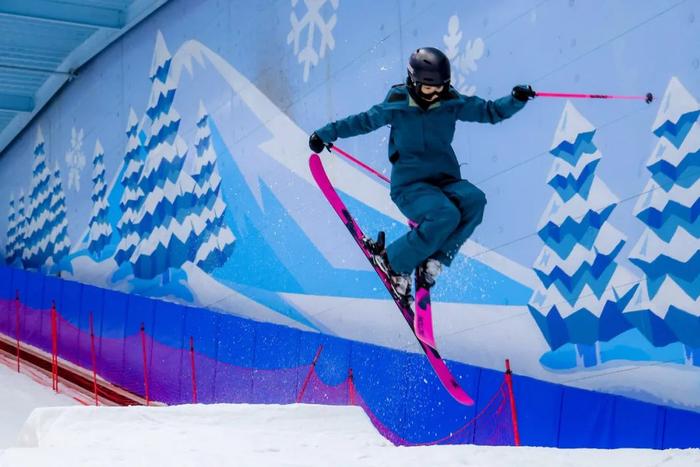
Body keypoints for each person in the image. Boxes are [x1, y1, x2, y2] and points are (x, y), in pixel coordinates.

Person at [309, 47, 534, 300]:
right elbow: (361, 121)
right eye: (429, 89)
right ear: (413, 82)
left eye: (440, 88)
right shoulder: (397, 104)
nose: (435, 95)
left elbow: (490, 111)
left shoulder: (450, 102)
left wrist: (516, 99)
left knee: (475, 200)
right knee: (445, 214)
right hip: (411, 187)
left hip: (445, 182)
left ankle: (432, 261)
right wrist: (324, 134)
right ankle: (393, 262)